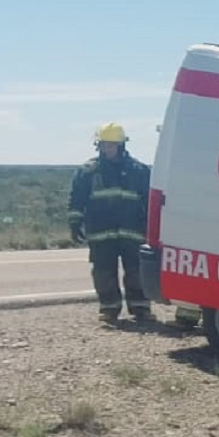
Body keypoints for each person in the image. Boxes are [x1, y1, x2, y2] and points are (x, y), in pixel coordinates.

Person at [69, 122, 152, 324]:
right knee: (103, 271)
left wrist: (152, 226)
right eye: (104, 144)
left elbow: (149, 200)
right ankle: (109, 308)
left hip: (132, 231)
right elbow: (77, 199)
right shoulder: (88, 171)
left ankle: (140, 307)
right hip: (100, 232)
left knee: (136, 270)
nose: (107, 149)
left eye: (111, 145)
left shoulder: (139, 170)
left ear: (121, 145)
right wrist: (74, 222)